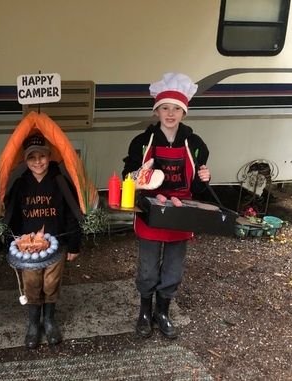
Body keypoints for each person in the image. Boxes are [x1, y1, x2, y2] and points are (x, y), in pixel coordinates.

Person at [121, 73, 211, 339]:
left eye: (176, 109)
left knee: (173, 267)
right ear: (157, 111)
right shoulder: (141, 142)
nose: (170, 114)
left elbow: (197, 188)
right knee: (148, 267)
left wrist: (204, 180)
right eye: (165, 108)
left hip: (181, 211)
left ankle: (163, 312)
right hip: (151, 209)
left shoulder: (194, 144)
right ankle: (145, 312)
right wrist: (141, 175)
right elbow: (128, 177)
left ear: (184, 112)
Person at [4, 133, 81, 349]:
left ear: (49, 156)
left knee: (51, 283)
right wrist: (9, 244)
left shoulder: (60, 181)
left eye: (42, 156)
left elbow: (71, 214)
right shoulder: (20, 185)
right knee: (31, 283)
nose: (38, 162)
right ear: (25, 160)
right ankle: (33, 323)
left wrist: (74, 244)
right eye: (32, 157)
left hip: (56, 244)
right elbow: (13, 216)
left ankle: (49, 320)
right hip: (28, 249)